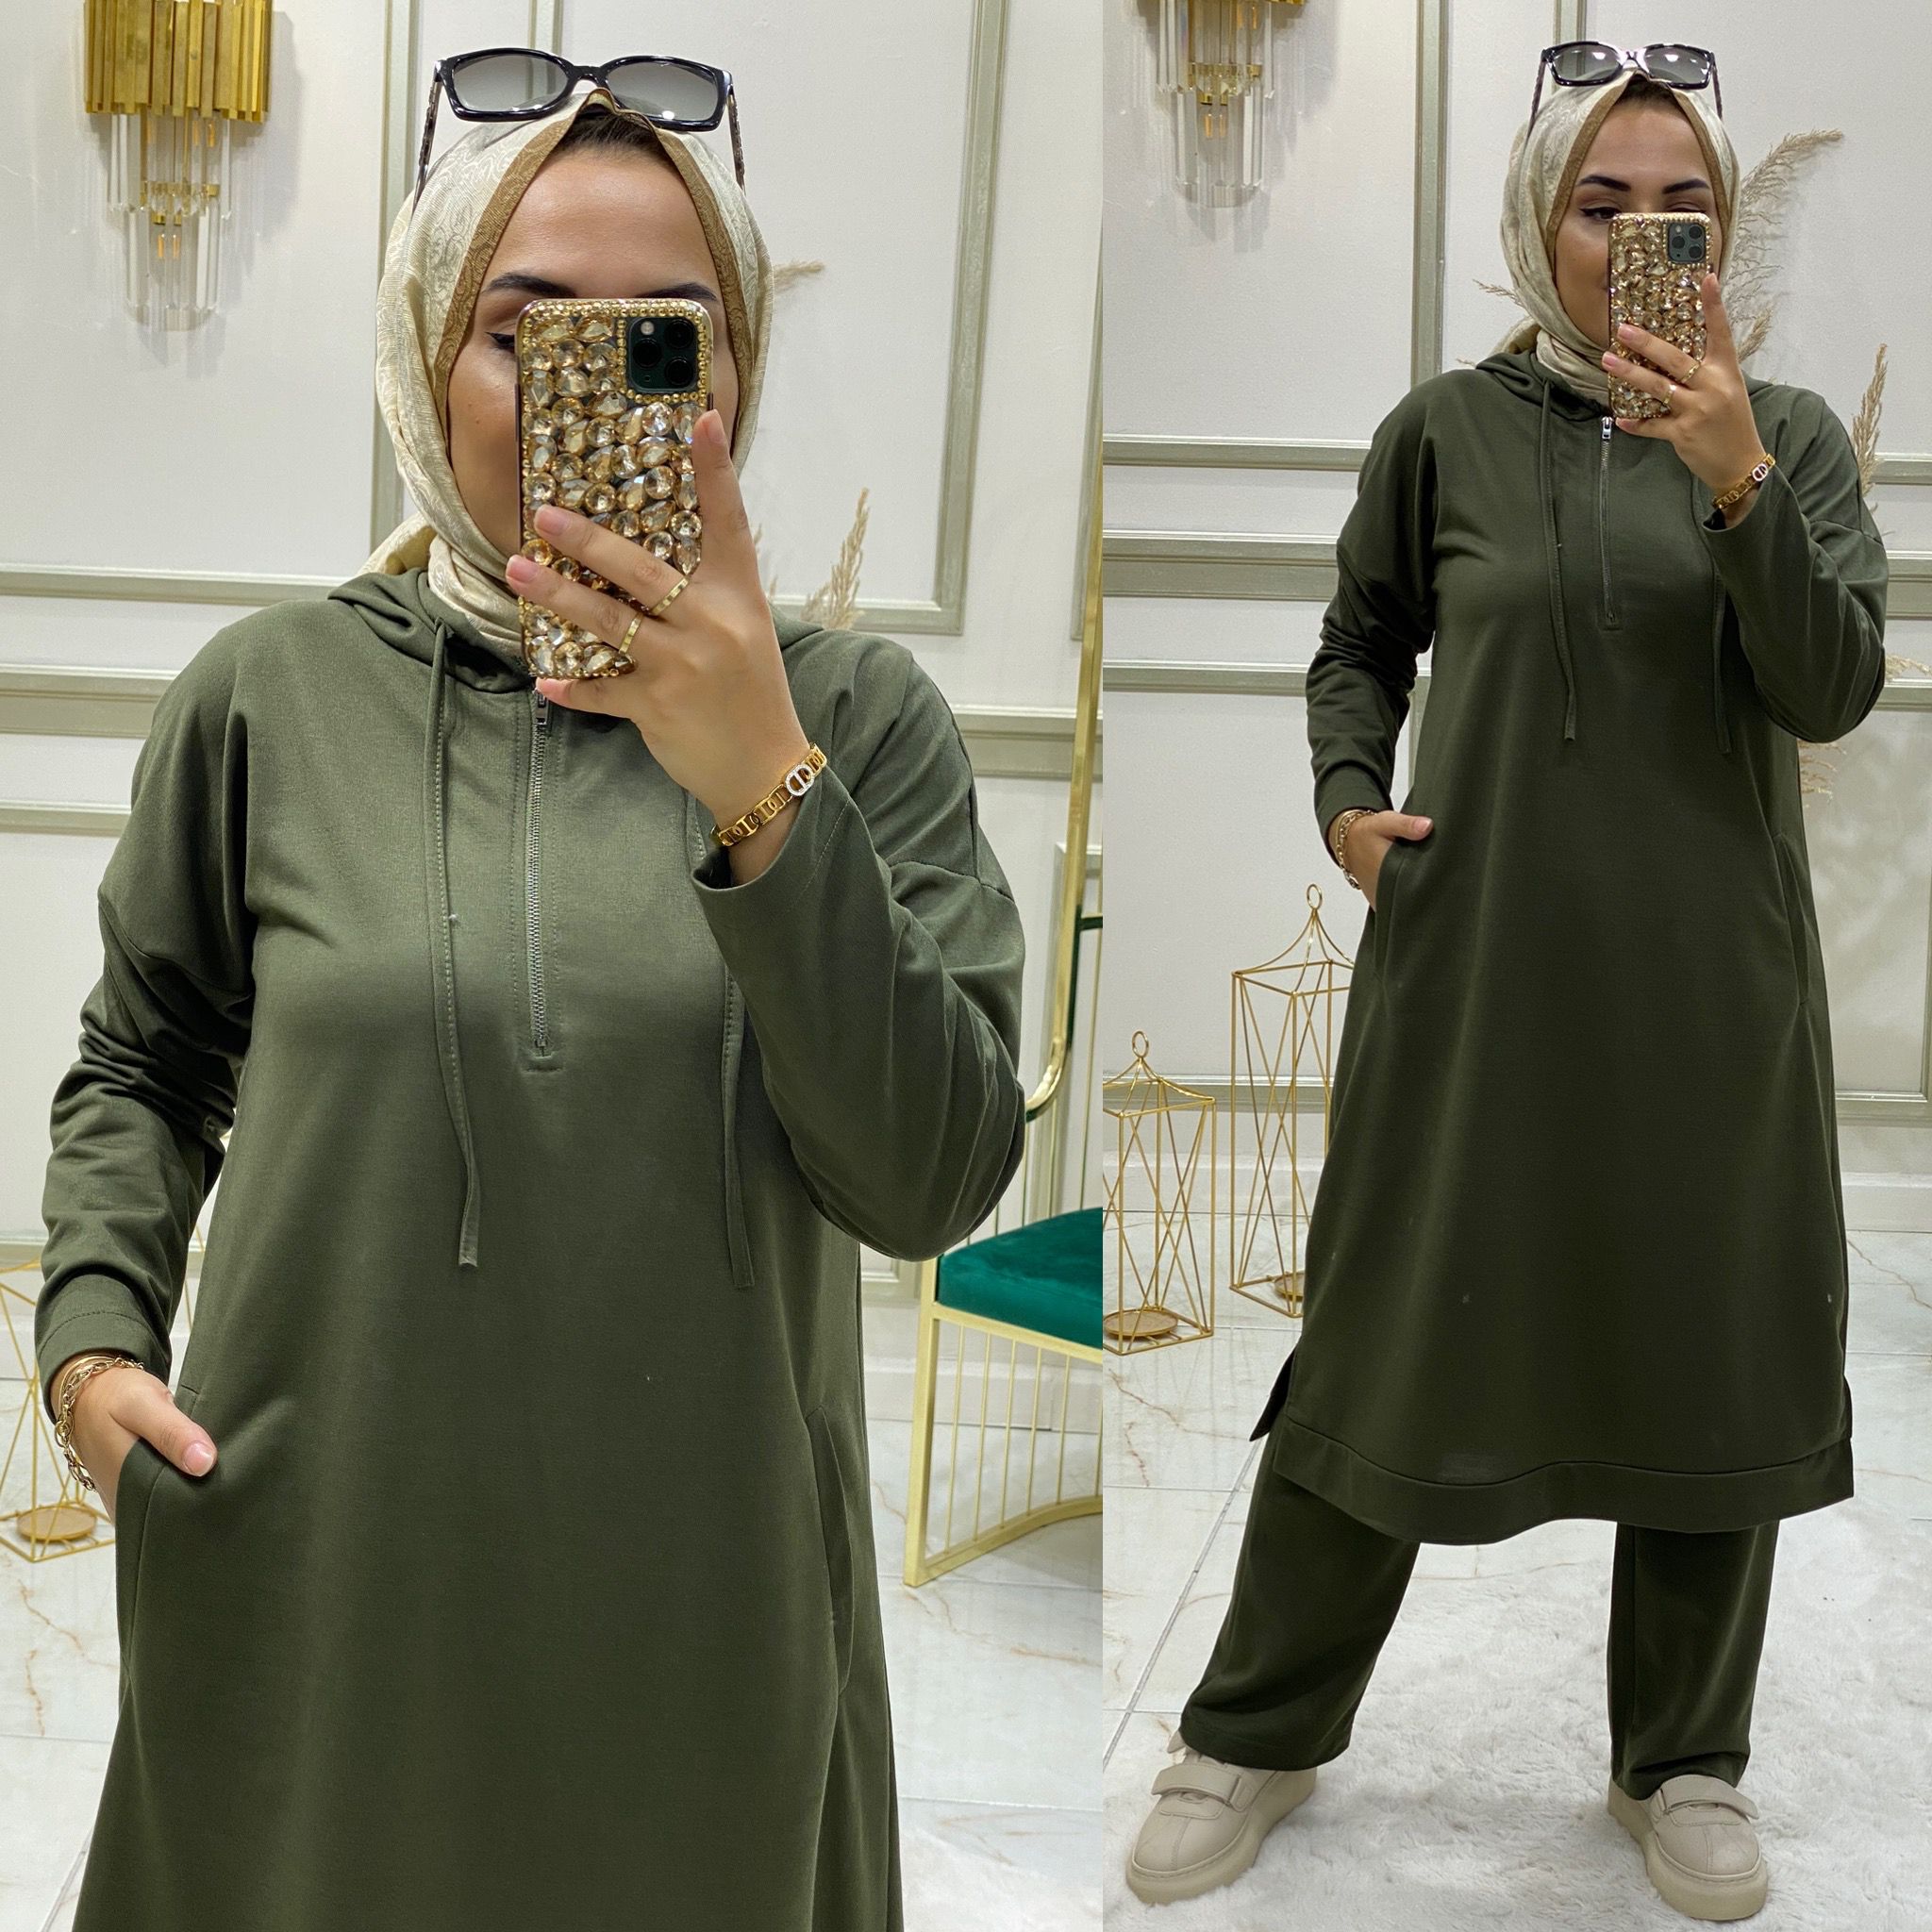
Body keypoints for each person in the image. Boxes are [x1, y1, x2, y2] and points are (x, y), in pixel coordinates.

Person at [35, 81, 1028, 1932]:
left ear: (734, 377)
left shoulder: (858, 721)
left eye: (666, 338)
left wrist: (759, 784)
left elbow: (933, 1178)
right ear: (430, 361)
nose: (597, 389)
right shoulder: (267, 696)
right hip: (317, 1571)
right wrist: (92, 1345)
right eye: (525, 331)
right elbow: (143, 1059)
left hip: (705, 1603)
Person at [1124, 54, 1886, 1925]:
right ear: (1539, 222)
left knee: (1709, 1337)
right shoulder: (1444, 432)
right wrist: (1345, 801)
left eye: (1680, 206)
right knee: (1385, 1324)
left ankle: (1683, 1759)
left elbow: (1832, 684)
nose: (1641, 235)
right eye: (1600, 202)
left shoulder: (1786, 434)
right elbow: (1358, 640)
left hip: (1710, 993)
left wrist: (1730, 475)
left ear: (1723, 233)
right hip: (1470, 972)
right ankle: (1256, 1727)